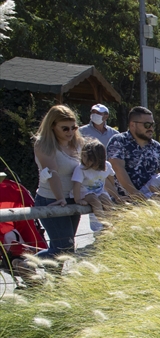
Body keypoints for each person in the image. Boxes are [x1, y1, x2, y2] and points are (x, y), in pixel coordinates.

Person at [31, 104, 82, 255]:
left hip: (72, 199)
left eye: (74, 127)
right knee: (64, 249)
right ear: (52, 126)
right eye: (65, 128)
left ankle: (53, 279)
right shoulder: (43, 143)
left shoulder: (78, 143)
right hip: (51, 199)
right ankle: (24, 263)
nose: (71, 132)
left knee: (62, 248)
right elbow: (52, 173)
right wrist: (60, 198)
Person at [107, 106, 160, 200]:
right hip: (122, 203)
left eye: (152, 125)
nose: (151, 129)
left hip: (152, 205)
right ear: (133, 125)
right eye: (147, 125)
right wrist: (135, 194)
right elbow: (117, 167)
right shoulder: (119, 141)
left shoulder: (158, 148)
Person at [71, 139, 118, 219]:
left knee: (107, 201)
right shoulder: (81, 169)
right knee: (95, 201)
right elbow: (76, 185)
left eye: (88, 158)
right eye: (83, 155)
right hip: (84, 193)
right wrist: (78, 199)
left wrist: (116, 196)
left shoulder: (107, 166)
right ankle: (103, 222)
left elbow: (110, 181)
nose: (84, 158)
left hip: (99, 192)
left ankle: (111, 222)